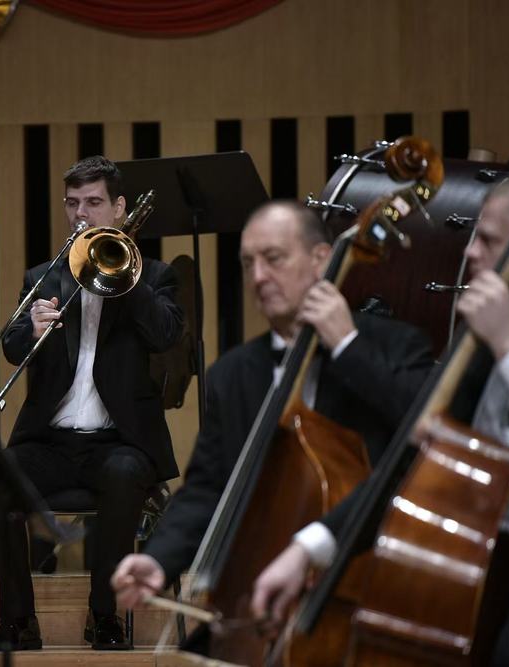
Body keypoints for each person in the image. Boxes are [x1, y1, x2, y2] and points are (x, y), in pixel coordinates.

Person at [250, 174, 509, 667]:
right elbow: (419, 463)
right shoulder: (480, 336)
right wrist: (308, 548)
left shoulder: (500, 331)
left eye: (489, 240)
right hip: (485, 554)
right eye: (473, 235)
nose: (470, 252)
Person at [112, 201, 434, 623]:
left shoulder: (396, 347)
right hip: (259, 600)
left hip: (372, 591)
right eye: (249, 264)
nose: (259, 277)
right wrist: (159, 558)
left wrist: (347, 347)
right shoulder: (231, 375)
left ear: (321, 259)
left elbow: (423, 447)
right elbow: (209, 488)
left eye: (274, 258)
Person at [0, 155, 184, 651]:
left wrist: (123, 275)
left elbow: (165, 335)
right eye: (72, 204)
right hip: (51, 441)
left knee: (124, 474)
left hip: (120, 442)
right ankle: (18, 621)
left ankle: (104, 616)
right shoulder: (44, 277)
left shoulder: (154, 276)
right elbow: (11, 349)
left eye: (93, 202)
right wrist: (32, 330)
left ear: (119, 208)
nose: (81, 214)